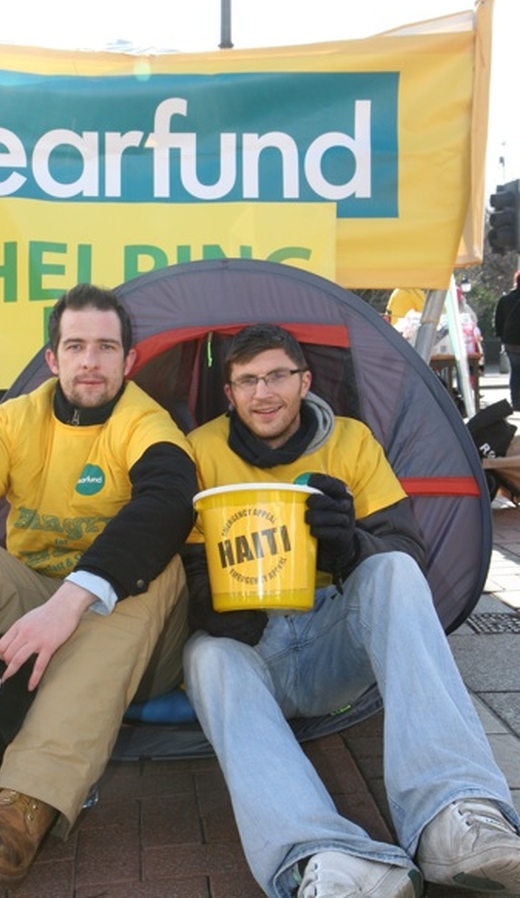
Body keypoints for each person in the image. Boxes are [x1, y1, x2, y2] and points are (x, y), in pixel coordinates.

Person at [182, 323, 520, 898]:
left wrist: (349, 546)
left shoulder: (353, 441)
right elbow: (182, 565)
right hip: (253, 653)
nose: (264, 393)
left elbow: (405, 551)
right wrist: (206, 603)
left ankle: (451, 816)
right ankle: (320, 853)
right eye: (247, 381)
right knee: (205, 655)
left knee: (391, 570)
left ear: (305, 380)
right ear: (230, 392)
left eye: (277, 376)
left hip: (335, 641)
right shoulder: (199, 451)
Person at [0, 283, 197, 888]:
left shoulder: (144, 422)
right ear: (53, 359)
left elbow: (168, 502)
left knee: (159, 569)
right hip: (37, 605)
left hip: (135, 641)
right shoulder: (17, 417)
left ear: (130, 361)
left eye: (107, 348)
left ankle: (24, 801)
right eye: (75, 346)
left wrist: (71, 602)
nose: (91, 361)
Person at [495, 271, 520, 410]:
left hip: (511, 342)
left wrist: (501, 337)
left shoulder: (505, 300)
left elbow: (498, 320)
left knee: (515, 371)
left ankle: (516, 401)